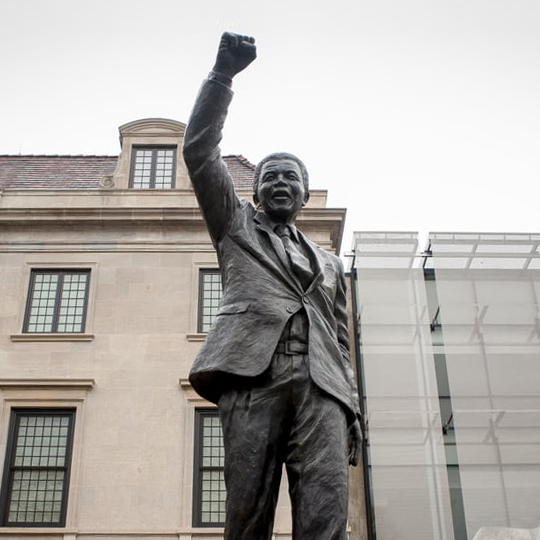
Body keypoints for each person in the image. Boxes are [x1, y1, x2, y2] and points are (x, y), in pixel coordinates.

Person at [183, 32, 362, 540]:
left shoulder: (329, 263)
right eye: (270, 176)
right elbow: (198, 151)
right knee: (248, 508)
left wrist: (352, 409)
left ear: (304, 193)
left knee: (327, 513)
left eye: (290, 178)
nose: (280, 183)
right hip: (254, 374)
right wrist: (222, 75)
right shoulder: (235, 227)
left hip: (323, 386)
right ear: (255, 189)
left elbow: (343, 343)